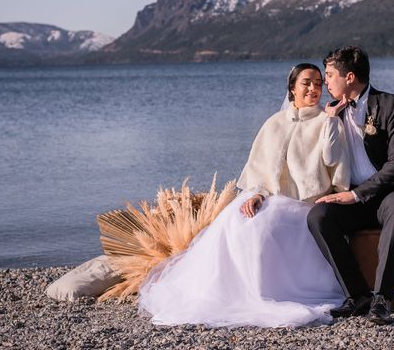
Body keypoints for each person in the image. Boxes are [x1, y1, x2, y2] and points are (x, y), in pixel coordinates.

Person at [137, 63, 351, 328]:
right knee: (234, 221)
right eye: (306, 82)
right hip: (272, 197)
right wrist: (257, 194)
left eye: (318, 83)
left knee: (264, 227)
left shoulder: (327, 121)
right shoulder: (274, 123)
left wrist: (330, 120)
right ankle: (225, 294)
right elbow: (260, 169)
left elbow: (334, 162)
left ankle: (266, 294)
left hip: (305, 203)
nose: (313, 88)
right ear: (292, 88)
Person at [307, 46, 394, 325]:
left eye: (330, 75)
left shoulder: (392, 105)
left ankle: (383, 298)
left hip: (386, 194)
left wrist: (357, 194)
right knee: (318, 216)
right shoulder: (331, 113)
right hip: (352, 199)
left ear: (349, 77)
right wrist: (331, 119)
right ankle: (359, 296)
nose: (325, 82)